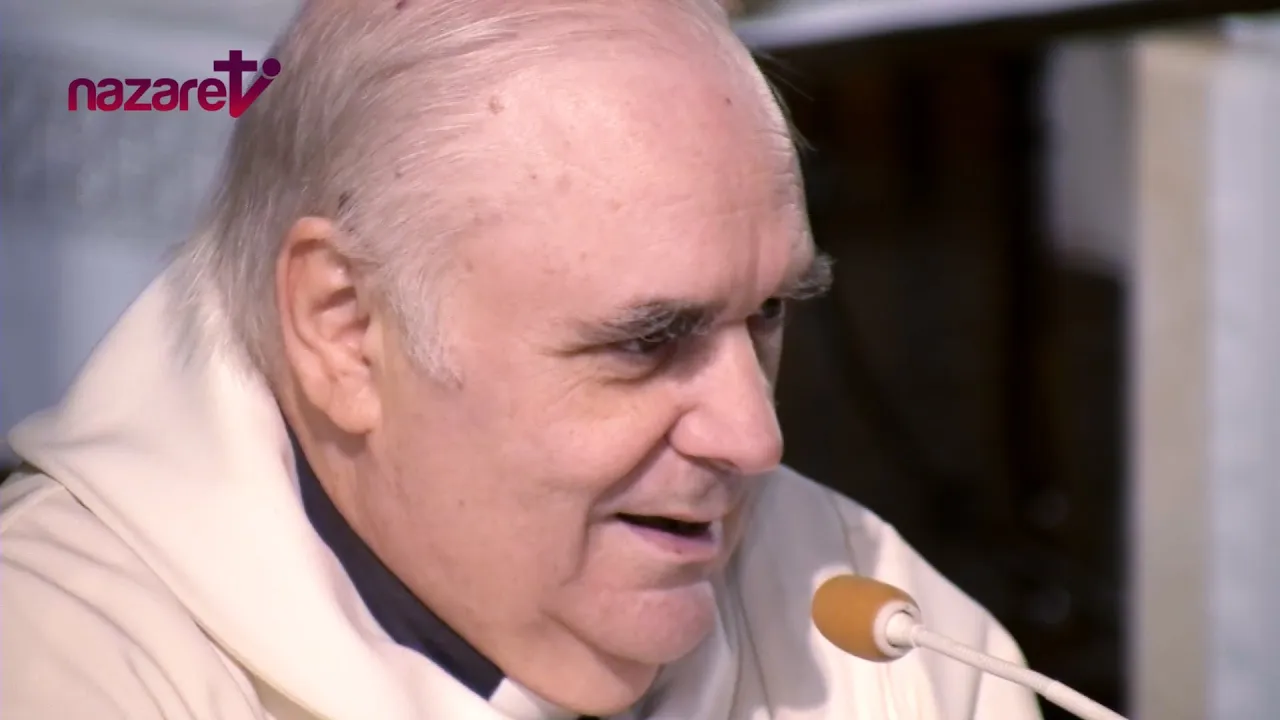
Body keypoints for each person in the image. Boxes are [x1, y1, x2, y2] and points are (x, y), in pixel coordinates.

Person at [0, 1, 1043, 718]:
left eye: (767, 313)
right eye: (647, 340)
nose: (754, 437)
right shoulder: (68, 667)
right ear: (344, 328)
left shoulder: (879, 638)